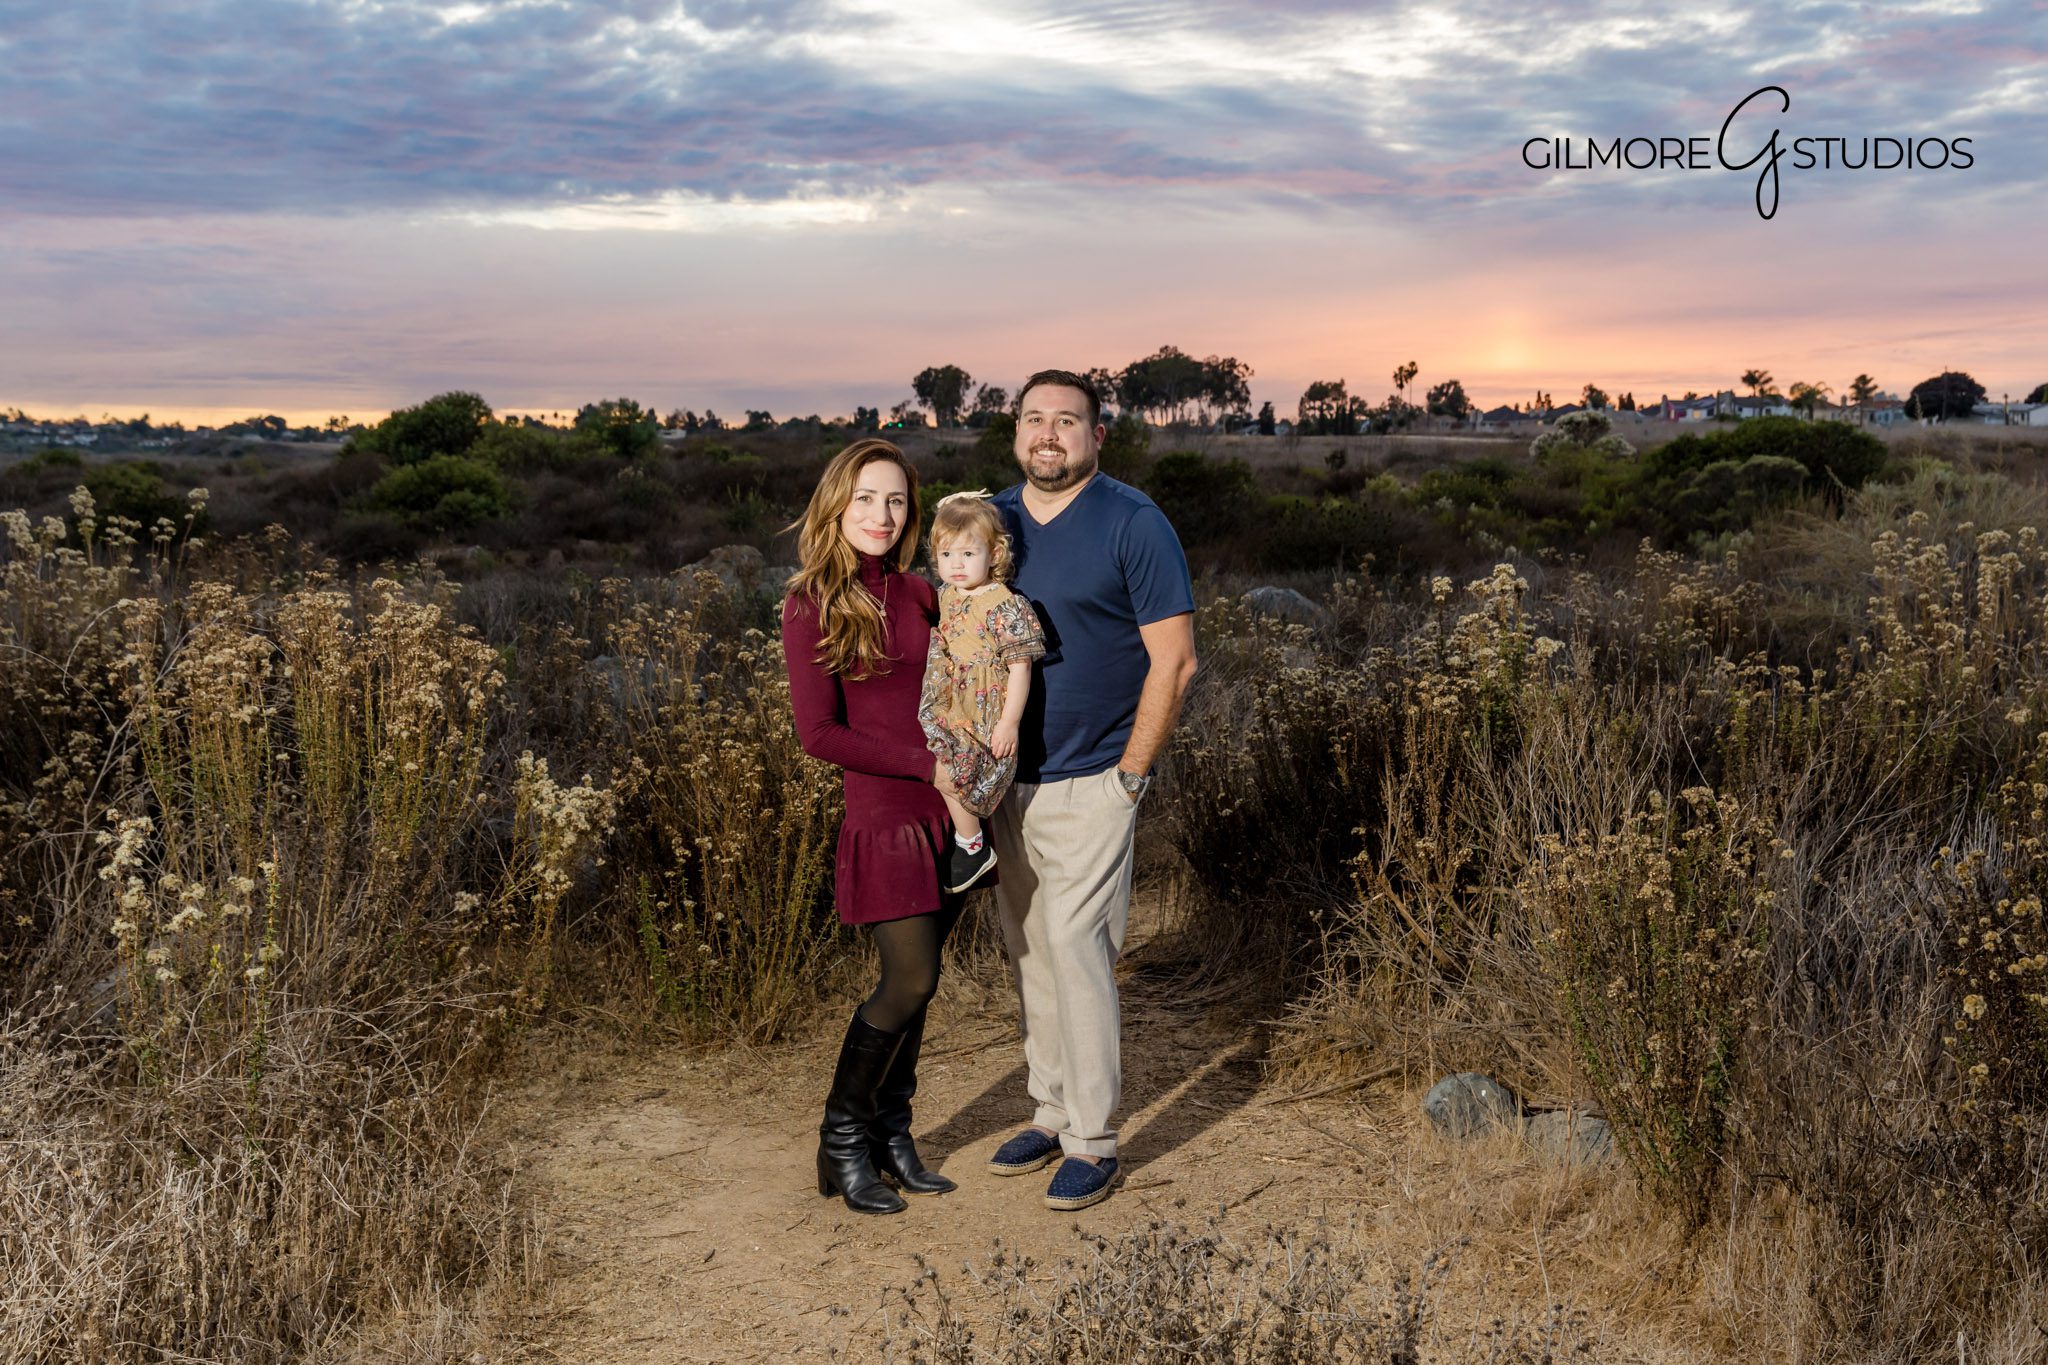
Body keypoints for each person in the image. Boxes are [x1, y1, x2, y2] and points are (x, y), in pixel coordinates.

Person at [982, 370, 1199, 1211]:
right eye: (1034, 418)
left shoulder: (1133, 523)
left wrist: (1130, 778)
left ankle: (1095, 1139)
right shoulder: (992, 521)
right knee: (1030, 945)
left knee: (1078, 950)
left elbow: (1175, 660)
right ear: (1016, 432)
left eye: (1067, 420)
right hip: (1007, 782)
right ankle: (1050, 1108)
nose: (1048, 433)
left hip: (1094, 778)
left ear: (1096, 435)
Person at [780, 438, 968, 1216]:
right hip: (887, 815)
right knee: (908, 980)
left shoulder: (922, 592)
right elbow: (817, 733)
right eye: (865, 498)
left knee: (922, 989)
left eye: (895, 501)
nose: (881, 515)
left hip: (950, 814)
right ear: (836, 503)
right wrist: (928, 766)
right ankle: (842, 1139)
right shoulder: (811, 600)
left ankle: (893, 1135)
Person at [918, 490, 1047, 894]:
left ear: (993, 555)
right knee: (942, 764)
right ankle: (970, 842)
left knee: (958, 770)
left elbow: (1020, 667)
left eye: (968, 554)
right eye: (946, 555)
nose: (955, 565)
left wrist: (1009, 722)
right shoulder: (946, 596)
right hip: (952, 705)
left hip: (987, 712)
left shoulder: (1004, 603)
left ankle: (971, 843)